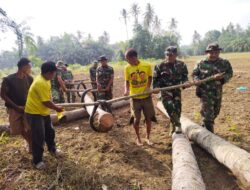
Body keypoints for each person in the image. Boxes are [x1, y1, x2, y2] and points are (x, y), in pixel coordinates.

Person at [25, 61, 64, 169]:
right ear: (48, 73)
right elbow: (45, 102)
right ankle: (37, 160)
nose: (54, 75)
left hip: (43, 111)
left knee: (50, 131)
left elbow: (48, 96)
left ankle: (52, 149)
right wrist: (57, 108)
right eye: (53, 73)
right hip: (34, 112)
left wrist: (52, 102)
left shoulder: (47, 79)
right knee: (39, 136)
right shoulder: (40, 82)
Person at [192, 43, 233, 133]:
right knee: (208, 116)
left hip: (217, 91)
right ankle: (210, 136)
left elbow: (230, 73)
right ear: (207, 52)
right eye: (211, 53)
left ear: (219, 52)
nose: (214, 54)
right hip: (204, 91)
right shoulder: (200, 63)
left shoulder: (224, 62)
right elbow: (195, 74)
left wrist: (223, 78)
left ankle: (204, 125)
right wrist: (197, 80)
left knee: (215, 112)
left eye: (216, 52)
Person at [153, 46, 191, 135]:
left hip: (177, 90)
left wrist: (186, 82)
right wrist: (156, 87)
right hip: (165, 91)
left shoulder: (181, 65)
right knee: (169, 106)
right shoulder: (159, 66)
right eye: (167, 55)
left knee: (177, 109)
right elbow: (155, 80)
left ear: (176, 55)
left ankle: (173, 125)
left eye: (171, 55)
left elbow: (184, 76)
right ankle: (178, 124)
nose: (169, 57)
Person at [0, 58, 33, 153]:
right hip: (13, 109)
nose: (30, 70)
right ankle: (29, 142)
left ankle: (31, 144)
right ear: (23, 67)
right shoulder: (8, 79)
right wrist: (16, 107)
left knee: (30, 127)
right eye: (29, 67)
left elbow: (32, 93)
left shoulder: (29, 79)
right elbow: (2, 94)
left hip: (27, 107)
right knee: (18, 128)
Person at [124, 48, 155, 146]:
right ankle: (138, 138)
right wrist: (126, 90)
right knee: (136, 120)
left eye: (127, 59)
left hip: (146, 97)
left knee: (148, 118)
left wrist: (148, 87)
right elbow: (127, 81)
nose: (127, 61)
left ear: (134, 58)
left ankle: (148, 137)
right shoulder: (127, 68)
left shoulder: (147, 65)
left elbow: (150, 77)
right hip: (135, 98)